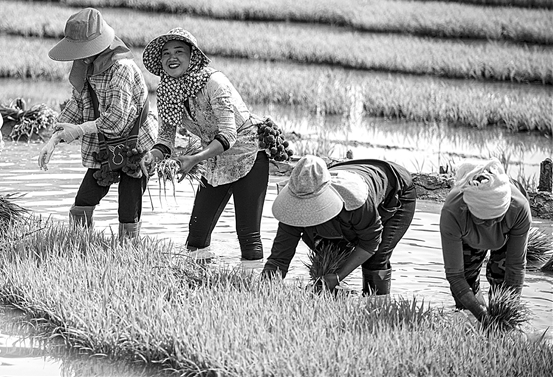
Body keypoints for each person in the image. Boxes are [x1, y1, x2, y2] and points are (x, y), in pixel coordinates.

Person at [140, 28, 268, 261]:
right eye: (166, 53)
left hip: (248, 155)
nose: (172, 58)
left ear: (193, 57)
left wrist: (195, 159)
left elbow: (228, 134)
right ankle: (197, 276)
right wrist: (153, 156)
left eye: (179, 51)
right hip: (213, 159)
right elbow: (165, 139)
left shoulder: (214, 83)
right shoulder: (167, 91)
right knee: (196, 237)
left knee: (249, 238)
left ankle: (252, 279)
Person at [37, 8, 157, 239]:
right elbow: (77, 105)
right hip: (104, 146)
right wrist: (54, 139)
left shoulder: (121, 68)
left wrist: (79, 130)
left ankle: (127, 251)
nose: (81, 55)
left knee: (128, 210)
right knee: (82, 204)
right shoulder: (85, 66)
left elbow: (116, 120)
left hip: (135, 144)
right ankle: (80, 244)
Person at [262, 156, 417, 295]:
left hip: (395, 186)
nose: (306, 212)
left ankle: (377, 303)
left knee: (376, 258)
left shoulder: (355, 200)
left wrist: (338, 276)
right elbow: (279, 258)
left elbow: (370, 243)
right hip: (351, 174)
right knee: (328, 249)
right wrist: (265, 289)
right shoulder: (293, 207)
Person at [439, 158, 531, 322]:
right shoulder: (453, 212)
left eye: (497, 218)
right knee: (464, 300)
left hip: (506, 237)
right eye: (483, 220)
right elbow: (455, 275)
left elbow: (515, 267)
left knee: (501, 283)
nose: (490, 225)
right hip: (468, 237)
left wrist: (507, 314)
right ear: (470, 209)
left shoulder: (519, 208)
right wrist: (482, 315)